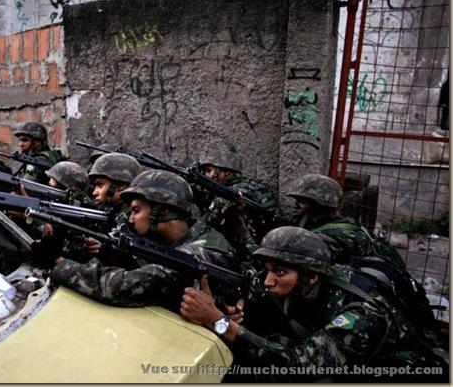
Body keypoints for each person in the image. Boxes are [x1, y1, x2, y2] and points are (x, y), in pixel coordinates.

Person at [180, 226, 446, 382]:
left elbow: (295, 368)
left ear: (310, 276)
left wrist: (217, 321)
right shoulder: (313, 283)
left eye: (279, 273)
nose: (269, 281)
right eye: (268, 270)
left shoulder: (359, 317)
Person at [49, 170, 239, 311]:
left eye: (137, 210)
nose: (130, 219)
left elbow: (123, 286)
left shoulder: (198, 253)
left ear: (162, 211)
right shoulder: (189, 235)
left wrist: (58, 265)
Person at [198, 149, 283, 263]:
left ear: (226, 172)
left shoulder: (227, 196)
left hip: (249, 257)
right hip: (273, 250)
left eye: (209, 170)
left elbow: (201, 230)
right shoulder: (256, 187)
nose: (206, 175)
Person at [287, 174, 374, 264]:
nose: (295, 204)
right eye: (296, 199)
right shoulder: (311, 220)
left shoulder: (335, 237)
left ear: (320, 204)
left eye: (302, 200)